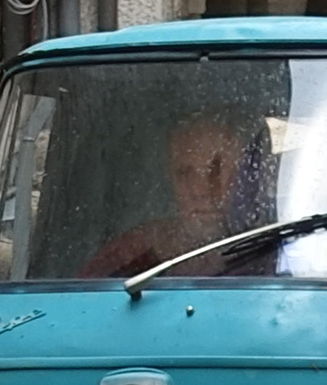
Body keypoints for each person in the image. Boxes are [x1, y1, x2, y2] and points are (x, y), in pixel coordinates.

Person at [82, 116, 249, 278]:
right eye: (185, 174)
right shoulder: (133, 253)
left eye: (216, 170)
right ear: (170, 180)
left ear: (245, 176)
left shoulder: (270, 250)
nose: (200, 192)